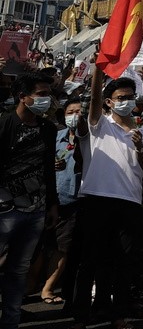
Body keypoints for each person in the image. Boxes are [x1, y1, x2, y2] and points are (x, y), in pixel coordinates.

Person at [68, 68, 143, 329]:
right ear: (109, 102)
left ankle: (117, 315)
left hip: (129, 201)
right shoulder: (100, 125)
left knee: (122, 262)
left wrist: (139, 147)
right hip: (97, 199)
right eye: (120, 97)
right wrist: (97, 71)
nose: (126, 101)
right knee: (89, 261)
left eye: (130, 97)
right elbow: (92, 104)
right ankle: (80, 317)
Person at [0, 71, 58, 329]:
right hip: (4, 210)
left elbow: (48, 169)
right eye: (41, 94)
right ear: (23, 97)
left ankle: (10, 328)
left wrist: (52, 204)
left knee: (18, 271)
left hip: (35, 210)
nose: (47, 99)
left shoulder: (47, 129)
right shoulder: (5, 125)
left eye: (49, 93)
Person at [41, 95, 81, 305]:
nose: (75, 116)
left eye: (79, 112)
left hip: (74, 201)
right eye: (70, 112)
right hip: (51, 199)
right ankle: (31, 285)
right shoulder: (56, 137)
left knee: (62, 248)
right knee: (42, 246)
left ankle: (47, 288)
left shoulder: (90, 139)